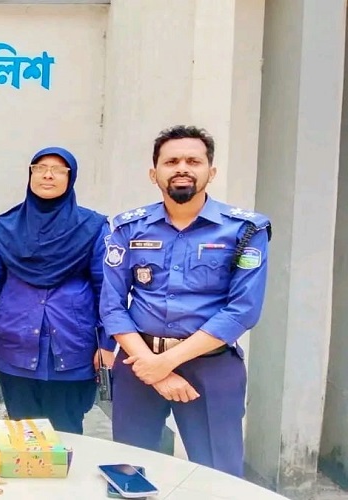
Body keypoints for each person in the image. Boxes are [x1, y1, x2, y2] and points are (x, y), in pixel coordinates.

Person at [99, 125, 271, 477]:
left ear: (211, 171)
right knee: (129, 470)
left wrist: (165, 364)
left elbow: (242, 310)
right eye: (171, 161)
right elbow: (112, 306)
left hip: (211, 364)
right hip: (138, 361)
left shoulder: (244, 230)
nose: (182, 168)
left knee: (217, 473)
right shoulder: (129, 228)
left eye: (193, 161)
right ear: (154, 174)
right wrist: (150, 365)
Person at [0, 147, 115, 435]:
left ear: (71, 178)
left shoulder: (93, 227)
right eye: (40, 168)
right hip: (16, 346)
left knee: (66, 434)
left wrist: (107, 344)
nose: (48, 175)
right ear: (30, 174)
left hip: (73, 349)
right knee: (22, 436)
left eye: (58, 170)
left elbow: (107, 288)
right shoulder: (6, 227)